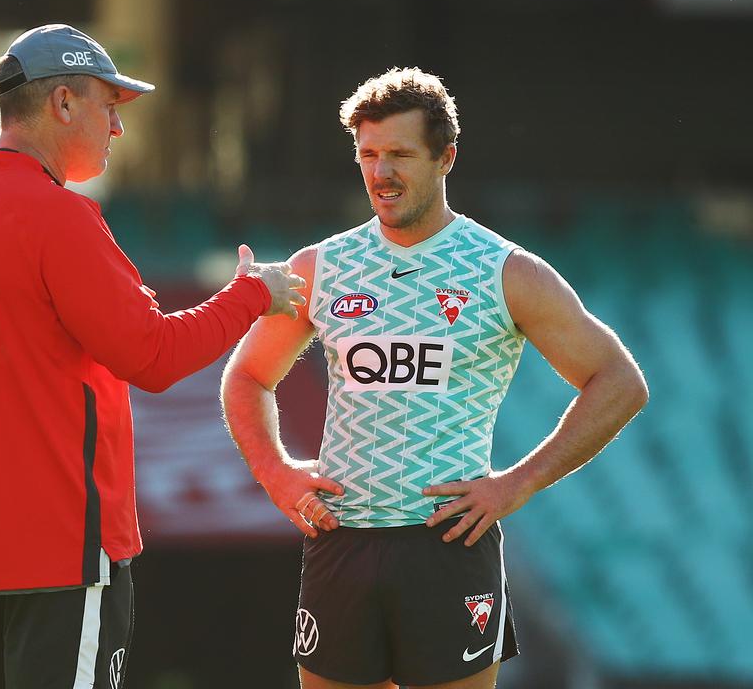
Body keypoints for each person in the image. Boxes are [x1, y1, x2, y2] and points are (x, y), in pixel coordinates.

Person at [0, 23, 306, 689]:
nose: (117, 127)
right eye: (108, 105)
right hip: (63, 551)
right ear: (61, 104)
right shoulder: (60, 218)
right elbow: (155, 356)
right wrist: (252, 296)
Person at [220, 66, 649, 689]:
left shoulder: (506, 271)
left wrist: (515, 485)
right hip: (342, 539)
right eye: (367, 155)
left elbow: (619, 382)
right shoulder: (322, 266)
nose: (381, 173)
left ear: (446, 157)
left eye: (399, 154)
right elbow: (247, 376)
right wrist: (276, 475)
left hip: (446, 544)